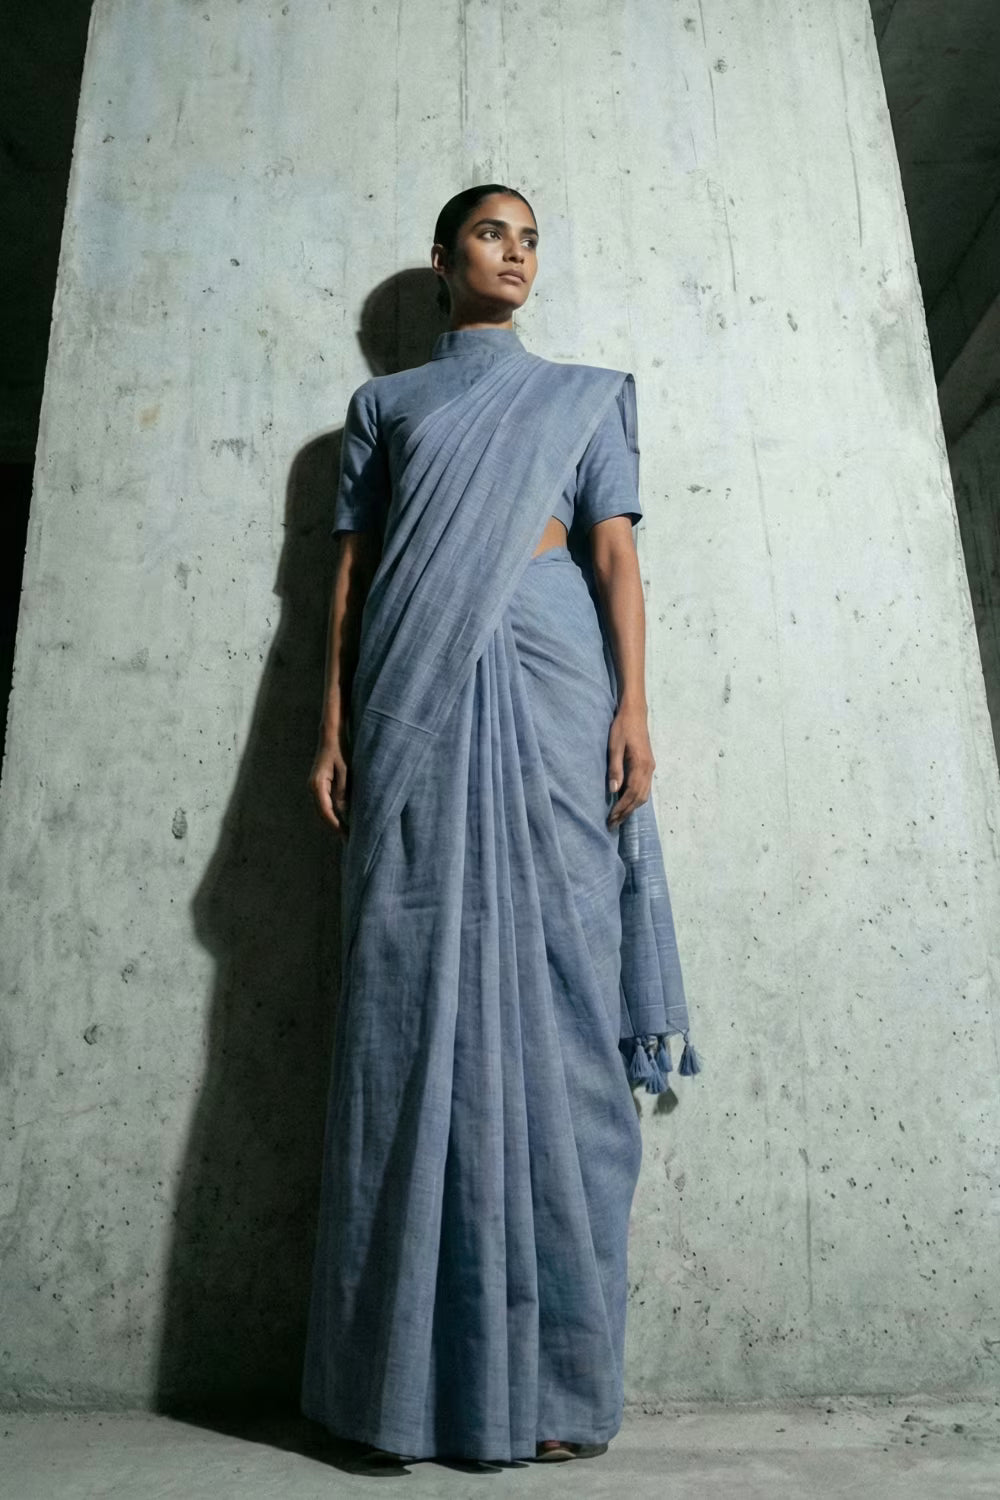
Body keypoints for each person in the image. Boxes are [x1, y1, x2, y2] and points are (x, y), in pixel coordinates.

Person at [300, 184, 701, 1468]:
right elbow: (350, 578)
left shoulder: (586, 396)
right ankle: (397, 1394)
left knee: (568, 1005)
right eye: (491, 233)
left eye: (531, 237)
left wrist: (636, 709)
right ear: (441, 258)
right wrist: (329, 725)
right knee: (408, 1010)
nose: (516, 254)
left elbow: (617, 559)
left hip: (552, 670)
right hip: (413, 687)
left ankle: (559, 1386)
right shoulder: (385, 409)